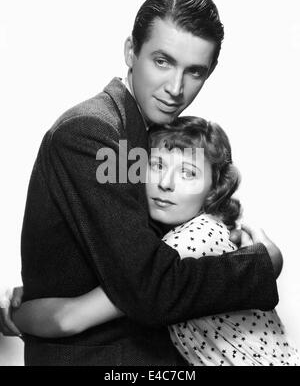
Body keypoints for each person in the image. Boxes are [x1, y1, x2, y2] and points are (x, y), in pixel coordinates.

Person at [0, 0, 279, 366]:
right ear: (131, 51)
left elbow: (127, 256)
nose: (176, 89)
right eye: (162, 61)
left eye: (194, 71)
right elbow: (150, 288)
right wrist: (263, 266)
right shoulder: (97, 133)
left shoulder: (139, 137)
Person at [11, 116, 297, 366]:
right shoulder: (178, 237)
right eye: (157, 165)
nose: (166, 182)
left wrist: (12, 315)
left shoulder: (193, 242)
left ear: (213, 190)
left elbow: (69, 319)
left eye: (188, 173)